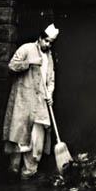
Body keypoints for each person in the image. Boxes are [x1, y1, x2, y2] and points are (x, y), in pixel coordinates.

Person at [3, 24, 59, 180]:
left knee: (36, 138)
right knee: (20, 135)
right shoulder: (26, 49)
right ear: (40, 38)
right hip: (24, 100)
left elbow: (51, 78)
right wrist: (29, 63)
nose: (48, 45)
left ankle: (30, 170)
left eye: (51, 43)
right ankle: (13, 169)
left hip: (41, 101)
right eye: (46, 41)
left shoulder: (49, 56)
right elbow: (12, 66)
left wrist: (50, 94)